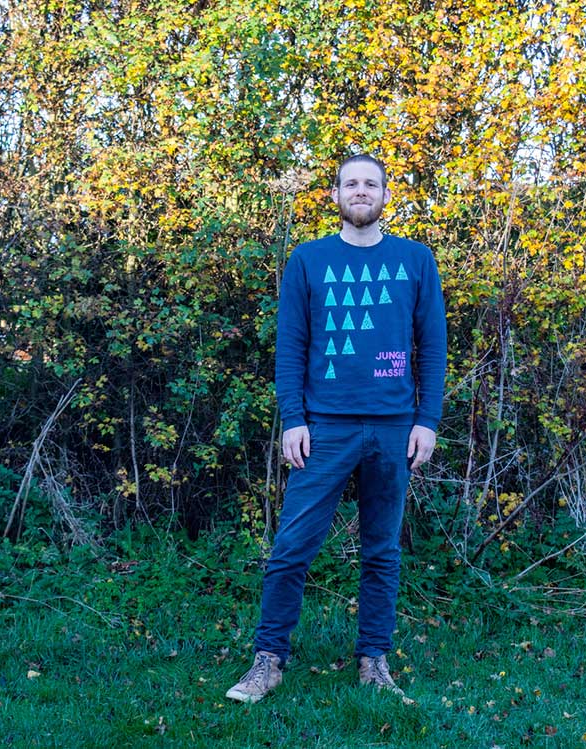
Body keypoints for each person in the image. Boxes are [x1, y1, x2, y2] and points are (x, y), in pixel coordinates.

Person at [225, 154, 448, 703]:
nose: (361, 191)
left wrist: (428, 420)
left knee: (382, 551)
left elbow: (434, 345)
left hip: (395, 428)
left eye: (371, 183)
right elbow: (291, 347)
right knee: (291, 546)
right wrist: (293, 419)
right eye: (351, 183)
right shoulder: (309, 260)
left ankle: (373, 660)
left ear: (386, 195)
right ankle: (268, 660)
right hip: (324, 427)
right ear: (335, 196)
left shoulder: (416, 260)